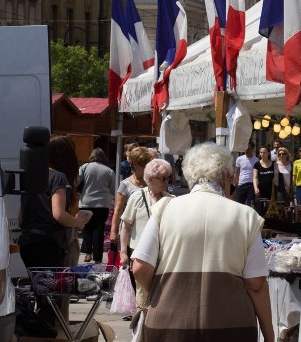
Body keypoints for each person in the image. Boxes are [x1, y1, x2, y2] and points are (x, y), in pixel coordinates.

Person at [131, 142, 274, 341]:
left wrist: (161, 293)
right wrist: (269, 335)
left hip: (169, 324)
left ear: (190, 177)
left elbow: (139, 267)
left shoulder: (164, 209)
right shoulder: (246, 216)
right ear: (225, 175)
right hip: (231, 326)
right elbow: (256, 284)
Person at [18, 135, 91, 328]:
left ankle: (38, 333)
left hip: (27, 242)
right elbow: (58, 214)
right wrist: (77, 222)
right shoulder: (58, 176)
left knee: (42, 297)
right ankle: (49, 335)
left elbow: (20, 218)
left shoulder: (30, 177)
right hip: (48, 244)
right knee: (52, 301)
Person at [120, 158, 173, 307]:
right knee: (142, 292)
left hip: (164, 253)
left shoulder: (172, 200)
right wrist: (123, 252)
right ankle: (141, 322)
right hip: (141, 254)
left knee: (161, 291)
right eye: (162, 178)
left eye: (168, 177)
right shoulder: (137, 197)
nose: (166, 181)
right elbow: (126, 226)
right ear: (150, 178)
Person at [109, 147, 156, 255]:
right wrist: (113, 232)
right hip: (129, 232)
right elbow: (118, 209)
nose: (147, 168)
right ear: (135, 164)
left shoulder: (153, 183)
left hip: (149, 229)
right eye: (144, 165)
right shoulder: (125, 185)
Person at [77, 147, 115, 263]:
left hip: (86, 203)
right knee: (99, 230)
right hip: (102, 204)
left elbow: (77, 182)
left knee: (87, 229)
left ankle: (88, 254)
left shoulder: (84, 167)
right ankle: (98, 258)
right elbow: (113, 189)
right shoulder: (108, 171)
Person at [252, 146, 278, 214]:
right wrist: (255, 188)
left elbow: (276, 177)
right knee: (261, 210)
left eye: (264, 152)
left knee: (271, 212)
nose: (262, 154)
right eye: (261, 152)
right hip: (261, 190)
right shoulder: (257, 164)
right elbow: (255, 177)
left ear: (268, 153)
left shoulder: (274, 164)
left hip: (272, 191)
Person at [233, 141, 258, 205]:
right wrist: (235, 184)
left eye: (248, 149)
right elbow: (237, 172)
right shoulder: (239, 159)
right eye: (245, 149)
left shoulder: (256, 160)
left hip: (251, 185)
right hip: (241, 184)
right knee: (239, 204)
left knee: (250, 204)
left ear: (252, 149)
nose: (246, 150)